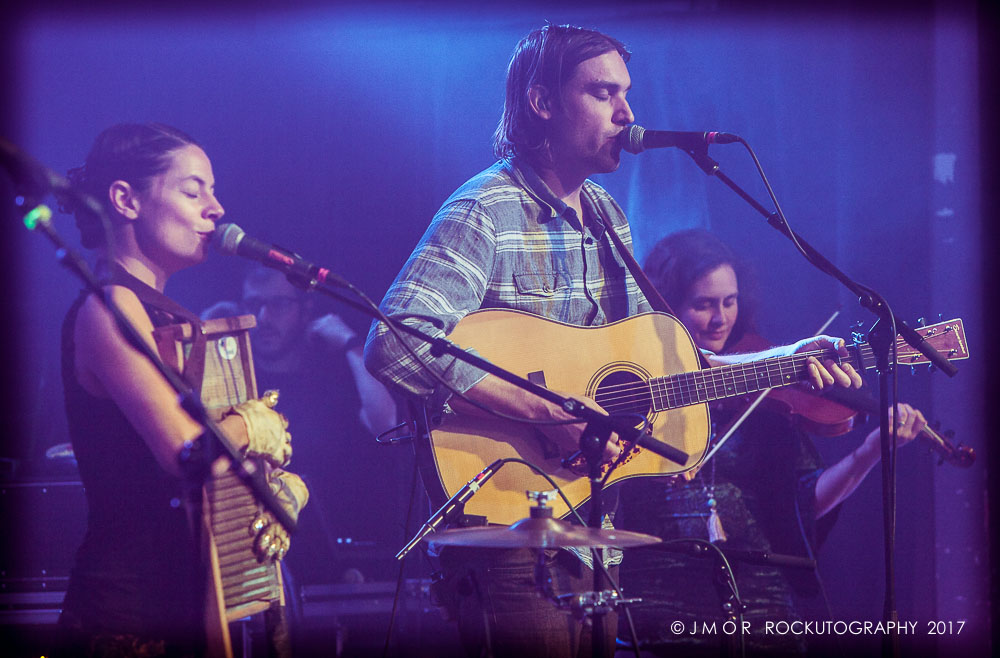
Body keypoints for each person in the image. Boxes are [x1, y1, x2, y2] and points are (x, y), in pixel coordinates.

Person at [364, 25, 862, 658]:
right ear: (542, 102)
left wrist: (781, 362)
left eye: (626, 94)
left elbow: (669, 363)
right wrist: (551, 412)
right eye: (604, 94)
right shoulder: (484, 211)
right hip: (508, 515)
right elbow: (396, 341)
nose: (627, 114)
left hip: (595, 515)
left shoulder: (605, 213)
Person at [57, 123, 308, 657]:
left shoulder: (165, 316)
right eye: (193, 191)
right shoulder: (110, 305)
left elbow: (213, 468)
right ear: (125, 199)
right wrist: (252, 425)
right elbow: (185, 451)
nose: (215, 208)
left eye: (212, 192)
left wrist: (282, 495)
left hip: (189, 612)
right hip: (127, 626)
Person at [617, 228, 927, 656]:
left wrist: (871, 451)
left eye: (729, 301)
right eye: (703, 304)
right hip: (658, 603)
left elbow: (805, 502)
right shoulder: (634, 384)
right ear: (668, 307)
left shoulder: (767, 401)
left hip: (762, 607)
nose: (720, 318)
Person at [203, 265, 400, 588]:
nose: (264, 317)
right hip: (255, 556)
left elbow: (387, 424)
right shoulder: (235, 381)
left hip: (337, 565)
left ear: (305, 309)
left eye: (278, 305)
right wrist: (205, 335)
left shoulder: (331, 375)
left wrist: (351, 344)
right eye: (253, 305)